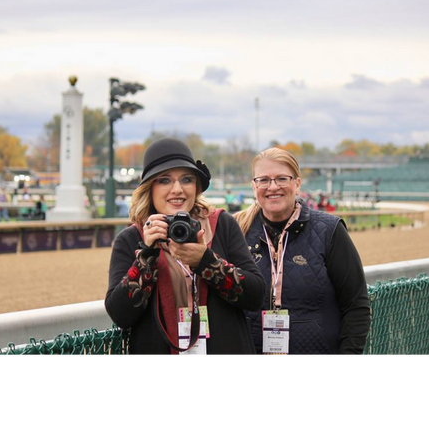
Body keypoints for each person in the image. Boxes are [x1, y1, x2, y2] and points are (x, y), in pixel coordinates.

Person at [105, 138, 266, 358]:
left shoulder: (221, 225)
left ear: (196, 187)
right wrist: (146, 255)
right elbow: (121, 314)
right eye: (165, 180)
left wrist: (206, 262)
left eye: (186, 179)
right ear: (149, 188)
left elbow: (255, 296)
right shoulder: (131, 238)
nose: (177, 189)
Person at [235, 148, 370, 359]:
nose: (273, 187)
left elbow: (356, 306)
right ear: (254, 186)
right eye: (264, 180)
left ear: (297, 184)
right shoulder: (237, 232)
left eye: (282, 178)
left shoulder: (329, 230)